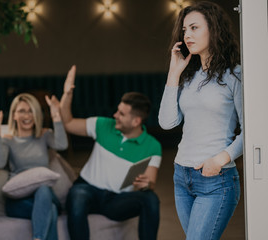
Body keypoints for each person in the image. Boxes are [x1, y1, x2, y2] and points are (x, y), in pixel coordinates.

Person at [158, 1, 242, 239]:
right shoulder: (189, 75)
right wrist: (174, 73)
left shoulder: (234, 75)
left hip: (216, 179)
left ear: (213, 29)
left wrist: (220, 159)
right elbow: (167, 123)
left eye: (194, 28)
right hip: (181, 176)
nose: (187, 35)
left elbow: (254, 131)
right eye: (184, 30)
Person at [60, 65, 162, 240]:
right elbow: (68, 123)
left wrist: (147, 184)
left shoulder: (152, 146)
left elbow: (150, 182)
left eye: (121, 114)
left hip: (116, 200)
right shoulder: (102, 125)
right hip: (87, 189)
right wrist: (67, 94)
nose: (115, 115)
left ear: (136, 120)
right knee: (77, 196)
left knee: (151, 199)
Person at [0, 93, 68, 240]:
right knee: (50, 210)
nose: (27, 115)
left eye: (31, 110)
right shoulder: (9, 140)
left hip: (45, 197)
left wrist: (56, 116)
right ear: (14, 115)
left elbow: (62, 145)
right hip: (19, 202)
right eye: (22, 111)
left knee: (43, 189)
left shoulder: (44, 135)